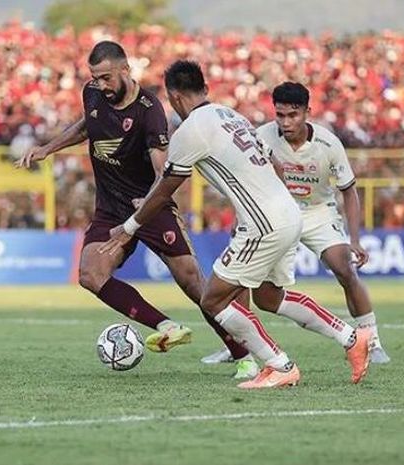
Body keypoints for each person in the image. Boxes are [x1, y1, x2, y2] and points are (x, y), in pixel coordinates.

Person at [100, 60, 371, 388]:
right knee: (269, 297)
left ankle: (279, 365)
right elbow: (275, 165)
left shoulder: (190, 131)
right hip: (287, 212)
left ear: (174, 97)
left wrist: (128, 227)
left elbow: (166, 186)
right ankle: (351, 337)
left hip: (264, 223)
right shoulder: (231, 115)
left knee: (213, 299)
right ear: (204, 89)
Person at [16, 41, 258, 379]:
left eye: (105, 78)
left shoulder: (149, 109)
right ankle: (167, 326)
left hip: (149, 205)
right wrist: (48, 148)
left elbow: (163, 170)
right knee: (90, 274)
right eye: (95, 78)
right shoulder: (94, 93)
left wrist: (146, 204)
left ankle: (243, 353)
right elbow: (88, 126)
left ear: (125, 71)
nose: (100, 85)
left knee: (193, 283)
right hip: (111, 208)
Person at [202, 82, 390, 365]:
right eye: (280, 115)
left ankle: (371, 340)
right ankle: (237, 348)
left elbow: (348, 191)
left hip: (317, 213)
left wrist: (354, 239)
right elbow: (246, 181)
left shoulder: (328, 144)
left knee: (344, 267)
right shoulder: (261, 136)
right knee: (249, 284)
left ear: (307, 112)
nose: (286, 122)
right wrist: (243, 218)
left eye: (293, 115)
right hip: (274, 214)